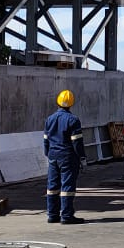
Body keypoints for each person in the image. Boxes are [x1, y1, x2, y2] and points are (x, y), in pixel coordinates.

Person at [43, 89, 86, 224]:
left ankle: (52, 215)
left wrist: (48, 154)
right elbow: (77, 142)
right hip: (67, 156)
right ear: (71, 103)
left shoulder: (49, 119)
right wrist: (82, 157)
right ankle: (66, 216)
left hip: (53, 155)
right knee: (67, 186)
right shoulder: (73, 120)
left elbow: (46, 140)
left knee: (52, 186)